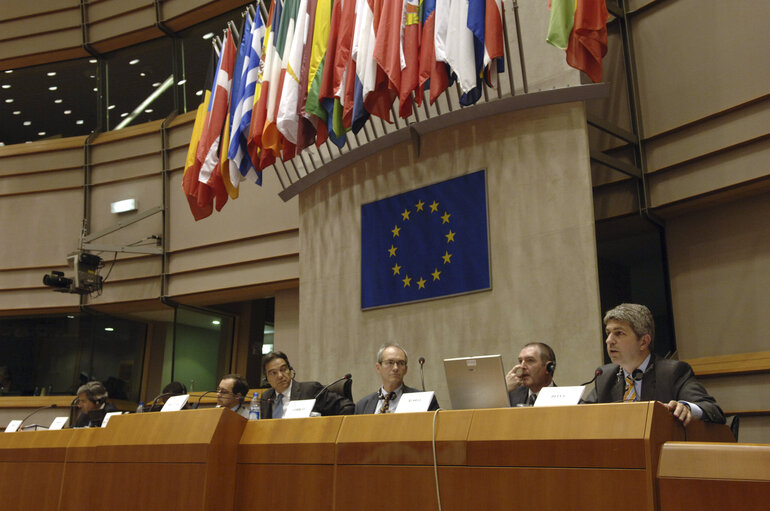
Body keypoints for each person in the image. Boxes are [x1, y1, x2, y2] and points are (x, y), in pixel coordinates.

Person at [582, 303, 725, 425]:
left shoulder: (672, 372)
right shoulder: (605, 376)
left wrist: (687, 407)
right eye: (608, 333)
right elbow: (584, 413)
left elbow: (712, 409)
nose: (609, 341)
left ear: (644, 342)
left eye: (619, 333)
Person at [259, 351, 355, 419]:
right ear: (267, 379)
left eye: (283, 369)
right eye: (273, 373)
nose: (280, 376)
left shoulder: (310, 390)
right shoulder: (266, 397)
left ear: (290, 370)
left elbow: (347, 407)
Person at [356, 344, 439, 414]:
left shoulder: (425, 400)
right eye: (390, 362)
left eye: (400, 363)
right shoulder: (362, 405)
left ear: (405, 369)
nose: (395, 368)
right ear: (378, 367)